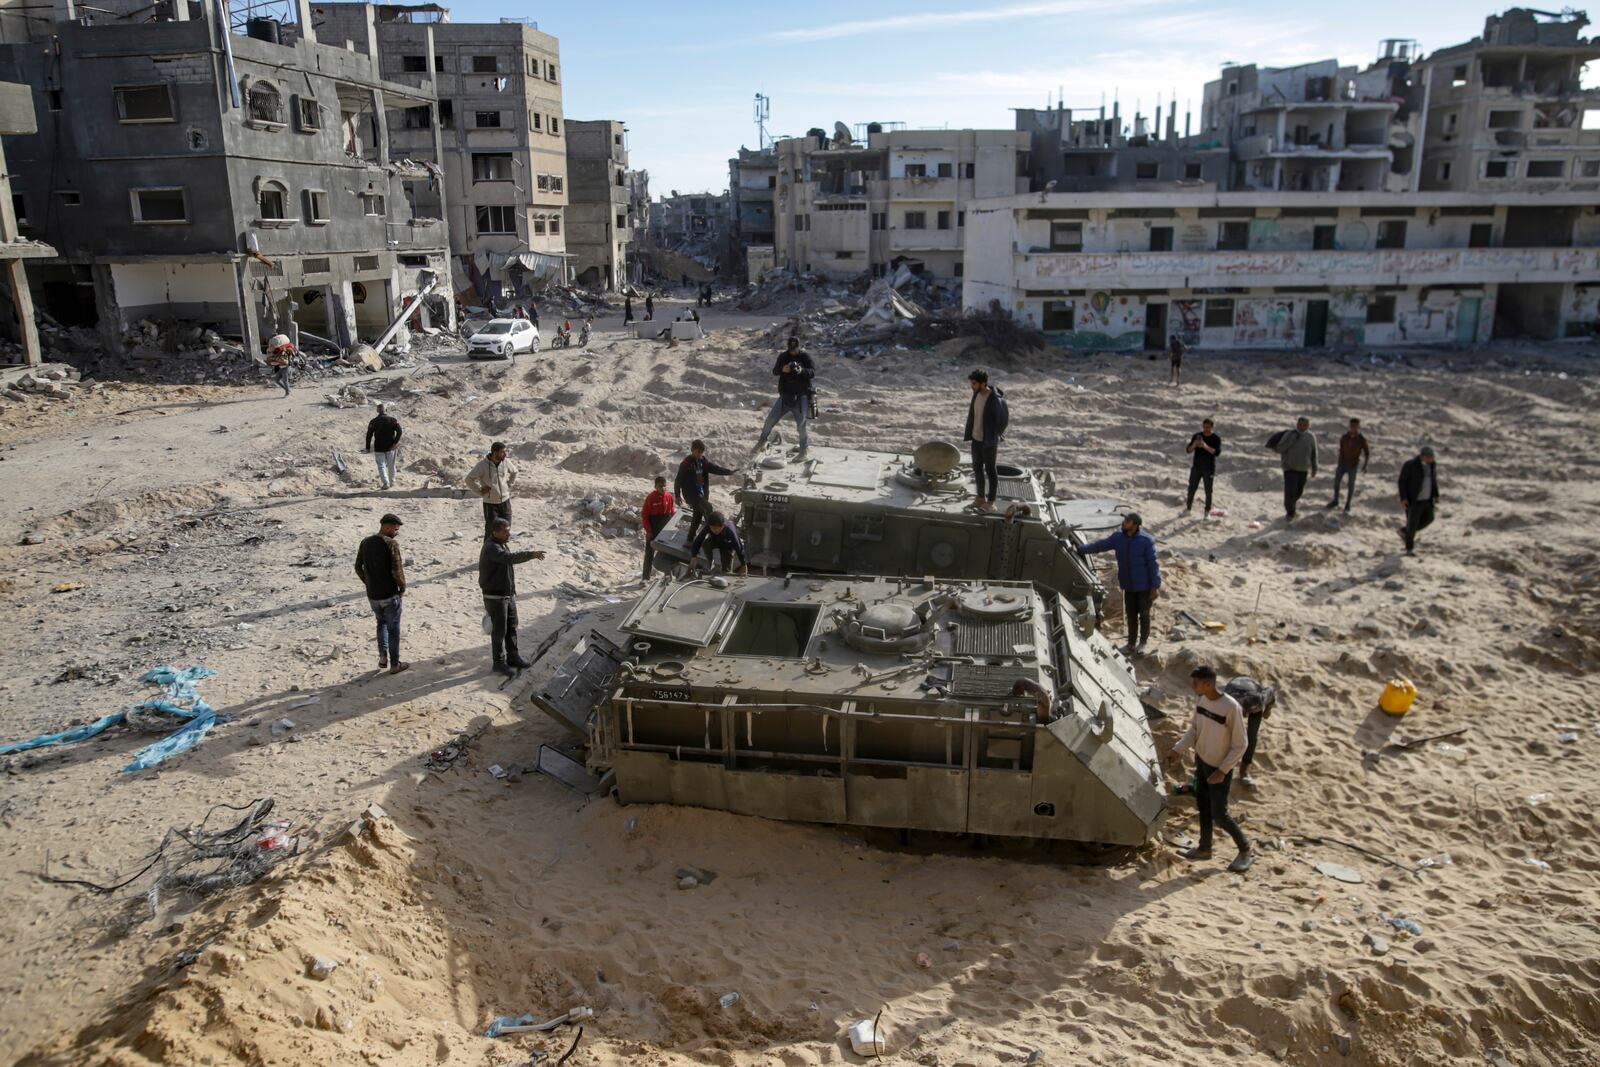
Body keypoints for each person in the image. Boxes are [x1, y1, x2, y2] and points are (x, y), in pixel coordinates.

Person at [1168, 665, 1254, 872]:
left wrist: (1223, 770)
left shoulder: (1230, 707)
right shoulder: (1202, 701)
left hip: (1218, 770)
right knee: (1203, 806)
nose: (1192, 686)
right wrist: (1177, 749)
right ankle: (1205, 848)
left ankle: (1245, 850)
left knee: (1220, 814)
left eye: (1196, 682)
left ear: (1208, 684)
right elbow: (1195, 730)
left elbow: (1241, 744)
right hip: (1203, 762)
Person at [1075, 513, 1161, 655]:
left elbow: (1153, 565)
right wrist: (1079, 549)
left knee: (1144, 615)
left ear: (1134, 525)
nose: (1124, 523)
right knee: (1131, 615)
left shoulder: (1146, 541)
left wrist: (1155, 586)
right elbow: (1100, 546)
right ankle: (1131, 644)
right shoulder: (1118, 537)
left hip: (1144, 586)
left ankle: (1143, 643)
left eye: (1127, 521)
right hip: (1128, 585)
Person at [479, 517, 546, 677]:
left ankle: (513, 657)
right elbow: (509, 559)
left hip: (507, 594)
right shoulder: (492, 547)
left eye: (509, 530)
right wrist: (530, 554)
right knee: (499, 631)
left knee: (511, 627)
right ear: (495, 532)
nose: (509, 534)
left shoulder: (501, 544)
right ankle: (499, 663)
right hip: (495, 596)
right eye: (505, 531)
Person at [353, 513, 409, 674]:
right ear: (387, 527)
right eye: (395, 528)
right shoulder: (391, 544)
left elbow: (358, 567)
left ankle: (383, 658)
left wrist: (369, 583)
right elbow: (397, 569)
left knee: (381, 624)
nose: (397, 532)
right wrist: (402, 588)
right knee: (393, 629)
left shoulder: (365, 542)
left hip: (373, 595)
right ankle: (395, 664)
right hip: (390, 594)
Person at [755, 336, 814, 453]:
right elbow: (774, 371)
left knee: (801, 426)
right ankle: (761, 442)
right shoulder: (783, 356)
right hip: (785, 396)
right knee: (770, 420)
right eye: (791, 350)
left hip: (801, 396)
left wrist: (801, 371)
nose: (793, 352)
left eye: (795, 350)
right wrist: (783, 369)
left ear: (799, 347)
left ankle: (804, 450)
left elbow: (812, 372)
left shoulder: (805, 357)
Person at [962, 368, 1008, 513]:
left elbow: (1003, 419)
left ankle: (991, 503)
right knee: (977, 468)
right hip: (976, 439)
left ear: (983, 383)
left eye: (974, 383)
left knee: (990, 470)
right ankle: (980, 498)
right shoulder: (976, 395)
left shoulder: (995, 399)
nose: (972, 386)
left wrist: (998, 433)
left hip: (988, 441)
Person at [674, 440, 734, 541]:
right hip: (691, 495)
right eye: (698, 452)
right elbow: (678, 481)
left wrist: (728, 472)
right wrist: (677, 496)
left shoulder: (702, 461)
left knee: (698, 515)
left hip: (701, 493)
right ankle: (714, 535)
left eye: (701, 452)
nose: (700, 454)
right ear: (692, 450)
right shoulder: (686, 464)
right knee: (708, 508)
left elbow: (714, 468)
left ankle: (690, 538)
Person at [466, 441, 517, 540]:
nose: (505, 454)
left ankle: (502, 553)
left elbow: (515, 472)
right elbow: (469, 479)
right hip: (490, 504)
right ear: (495, 453)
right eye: (502, 452)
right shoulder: (482, 465)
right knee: (491, 531)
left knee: (506, 530)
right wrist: (479, 491)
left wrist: (508, 485)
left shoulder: (506, 462)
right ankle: (488, 554)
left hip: (505, 502)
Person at [1397, 445, 1440, 556]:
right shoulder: (1410, 465)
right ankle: (1409, 549)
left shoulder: (1432, 466)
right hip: (1414, 500)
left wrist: (1436, 495)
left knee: (1430, 518)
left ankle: (1405, 531)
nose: (1432, 459)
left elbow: (1433, 481)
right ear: (1423, 456)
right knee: (1412, 523)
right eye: (1430, 457)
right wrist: (1404, 498)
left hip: (1427, 500)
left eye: (1433, 457)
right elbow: (1402, 482)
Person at [1275, 416, 1318, 521]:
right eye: (1300, 424)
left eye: (1305, 425)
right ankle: (1290, 512)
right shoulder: (1290, 434)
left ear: (1308, 426)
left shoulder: (1311, 437)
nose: (1302, 426)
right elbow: (1279, 448)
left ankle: (1291, 507)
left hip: (1303, 469)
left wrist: (1314, 467)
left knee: (1298, 491)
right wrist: (1292, 440)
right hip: (1290, 468)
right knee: (1290, 491)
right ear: (1297, 424)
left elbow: (1314, 453)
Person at [1327, 417, 1371, 513]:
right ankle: (1335, 500)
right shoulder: (1344, 437)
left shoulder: (1361, 439)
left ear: (1358, 427)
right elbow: (1341, 449)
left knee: (1350, 485)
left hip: (1353, 465)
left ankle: (1348, 504)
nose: (1353, 428)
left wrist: (1365, 465)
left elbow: (1367, 453)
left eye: (1355, 426)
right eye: (1351, 426)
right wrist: (1340, 462)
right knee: (1336, 483)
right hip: (1342, 463)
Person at [639, 474, 676, 581]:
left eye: (665, 486)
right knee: (649, 554)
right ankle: (645, 578)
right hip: (653, 527)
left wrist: (674, 525)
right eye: (660, 486)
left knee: (667, 553)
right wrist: (649, 531)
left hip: (665, 528)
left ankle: (668, 576)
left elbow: (672, 512)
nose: (663, 488)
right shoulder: (651, 498)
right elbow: (645, 515)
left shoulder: (669, 496)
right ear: (656, 487)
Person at [1185, 418, 1220, 516]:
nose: (1206, 429)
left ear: (1212, 427)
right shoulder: (1197, 436)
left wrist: (1205, 446)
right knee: (1191, 489)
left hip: (1209, 469)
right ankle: (1188, 509)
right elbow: (1188, 450)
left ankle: (1207, 512)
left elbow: (1216, 452)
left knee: (1208, 491)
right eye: (1204, 427)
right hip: (1196, 467)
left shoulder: (1215, 438)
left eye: (1208, 427)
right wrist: (1195, 445)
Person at [365, 403, 403, 490]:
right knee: (391, 465)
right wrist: (395, 443)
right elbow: (400, 431)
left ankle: (386, 483)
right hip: (391, 447)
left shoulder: (373, 421)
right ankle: (392, 482)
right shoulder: (392, 420)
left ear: (377, 410)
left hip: (379, 446)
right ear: (386, 410)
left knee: (381, 465)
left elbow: (369, 435)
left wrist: (367, 447)